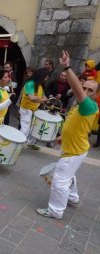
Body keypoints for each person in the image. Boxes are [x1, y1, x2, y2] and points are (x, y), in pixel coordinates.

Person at [37, 51, 99, 219]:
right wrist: (63, 137)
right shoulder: (80, 106)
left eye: (90, 90)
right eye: (84, 88)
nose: (85, 91)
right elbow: (75, 125)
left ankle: (55, 210)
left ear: (95, 95)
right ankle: (73, 197)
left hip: (74, 152)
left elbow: (77, 88)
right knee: (69, 175)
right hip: (74, 148)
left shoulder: (89, 106)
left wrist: (67, 67)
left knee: (60, 181)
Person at [19, 68, 48, 150]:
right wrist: (43, 100)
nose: (46, 79)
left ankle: (30, 143)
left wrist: (50, 103)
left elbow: (44, 97)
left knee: (35, 128)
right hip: (26, 109)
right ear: (41, 76)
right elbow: (31, 98)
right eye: (45, 77)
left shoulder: (40, 86)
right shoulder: (30, 84)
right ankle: (18, 145)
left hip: (35, 110)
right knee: (25, 129)